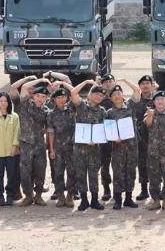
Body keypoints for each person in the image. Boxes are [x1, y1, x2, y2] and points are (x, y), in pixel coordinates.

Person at [69, 81, 107, 211]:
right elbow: (73, 92)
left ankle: (95, 200)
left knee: (93, 174)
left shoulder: (102, 111)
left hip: (94, 149)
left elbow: (104, 130)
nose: (99, 97)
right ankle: (84, 200)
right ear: (90, 95)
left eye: (101, 96)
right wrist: (86, 82)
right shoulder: (81, 106)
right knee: (80, 174)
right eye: (96, 94)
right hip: (79, 148)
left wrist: (97, 140)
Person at [105, 79, 142, 210]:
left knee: (130, 171)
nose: (117, 96)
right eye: (114, 95)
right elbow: (108, 131)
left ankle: (128, 198)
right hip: (117, 148)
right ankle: (118, 199)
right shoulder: (109, 113)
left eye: (119, 93)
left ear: (122, 95)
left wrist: (125, 80)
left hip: (132, 146)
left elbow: (137, 91)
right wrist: (114, 138)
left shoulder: (131, 106)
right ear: (111, 98)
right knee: (118, 173)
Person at [18, 79, 51, 207]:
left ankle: (38, 196)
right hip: (26, 143)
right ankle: (28, 196)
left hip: (39, 145)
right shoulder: (25, 104)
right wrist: (41, 80)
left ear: (46, 98)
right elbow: (24, 87)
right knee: (25, 171)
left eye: (43, 97)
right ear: (33, 96)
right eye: (38, 96)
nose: (40, 99)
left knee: (40, 170)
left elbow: (49, 129)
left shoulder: (47, 111)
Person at [144, 90, 165, 211]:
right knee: (154, 176)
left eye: (162, 99)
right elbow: (147, 123)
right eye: (157, 100)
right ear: (154, 102)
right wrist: (150, 115)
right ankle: (156, 200)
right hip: (153, 151)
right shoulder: (150, 113)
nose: (160, 101)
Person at [46, 84, 77, 208]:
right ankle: (60, 196)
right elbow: (50, 133)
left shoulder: (72, 109)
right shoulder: (51, 114)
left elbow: (75, 92)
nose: (61, 99)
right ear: (54, 99)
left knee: (72, 172)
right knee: (58, 173)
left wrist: (66, 84)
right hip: (58, 149)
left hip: (71, 147)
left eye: (64, 97)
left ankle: (70, 195)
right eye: (58, 97)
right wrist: (52, 149)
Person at [134, 75, 158, 201]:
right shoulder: (136, 99)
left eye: (147, 83)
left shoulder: (157, 99)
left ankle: (155, 190)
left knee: (155, 164)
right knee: (142, 163)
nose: (145, 85)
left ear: (151, 85)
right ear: (139, 86)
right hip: (139, 137)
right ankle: (144, 189)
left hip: (154, 136)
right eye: (142, 83)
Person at [99, 73, 116, 201]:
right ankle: (106, 189)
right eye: (105, 82)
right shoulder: (98, 99)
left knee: (118, 164)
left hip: (118, 138)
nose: (108, 83)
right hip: (103, 137)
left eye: (110, 81)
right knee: (105, 164)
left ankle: (118, 189)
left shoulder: (120, 98)